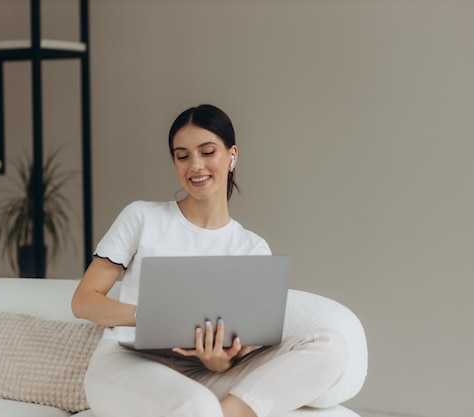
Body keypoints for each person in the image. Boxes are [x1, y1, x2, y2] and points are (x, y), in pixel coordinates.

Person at [71, 104, 348, 417]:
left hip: (206, 372)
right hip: (127, 362)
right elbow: (83, 302)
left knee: (330, 347)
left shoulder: (252, 248)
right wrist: (152, 316)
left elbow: (238, 347)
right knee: (198, 407)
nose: (195, 166)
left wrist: (219, 361)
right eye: (183, 155)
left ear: (232, 156)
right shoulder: (141, 216)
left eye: (207, 152)